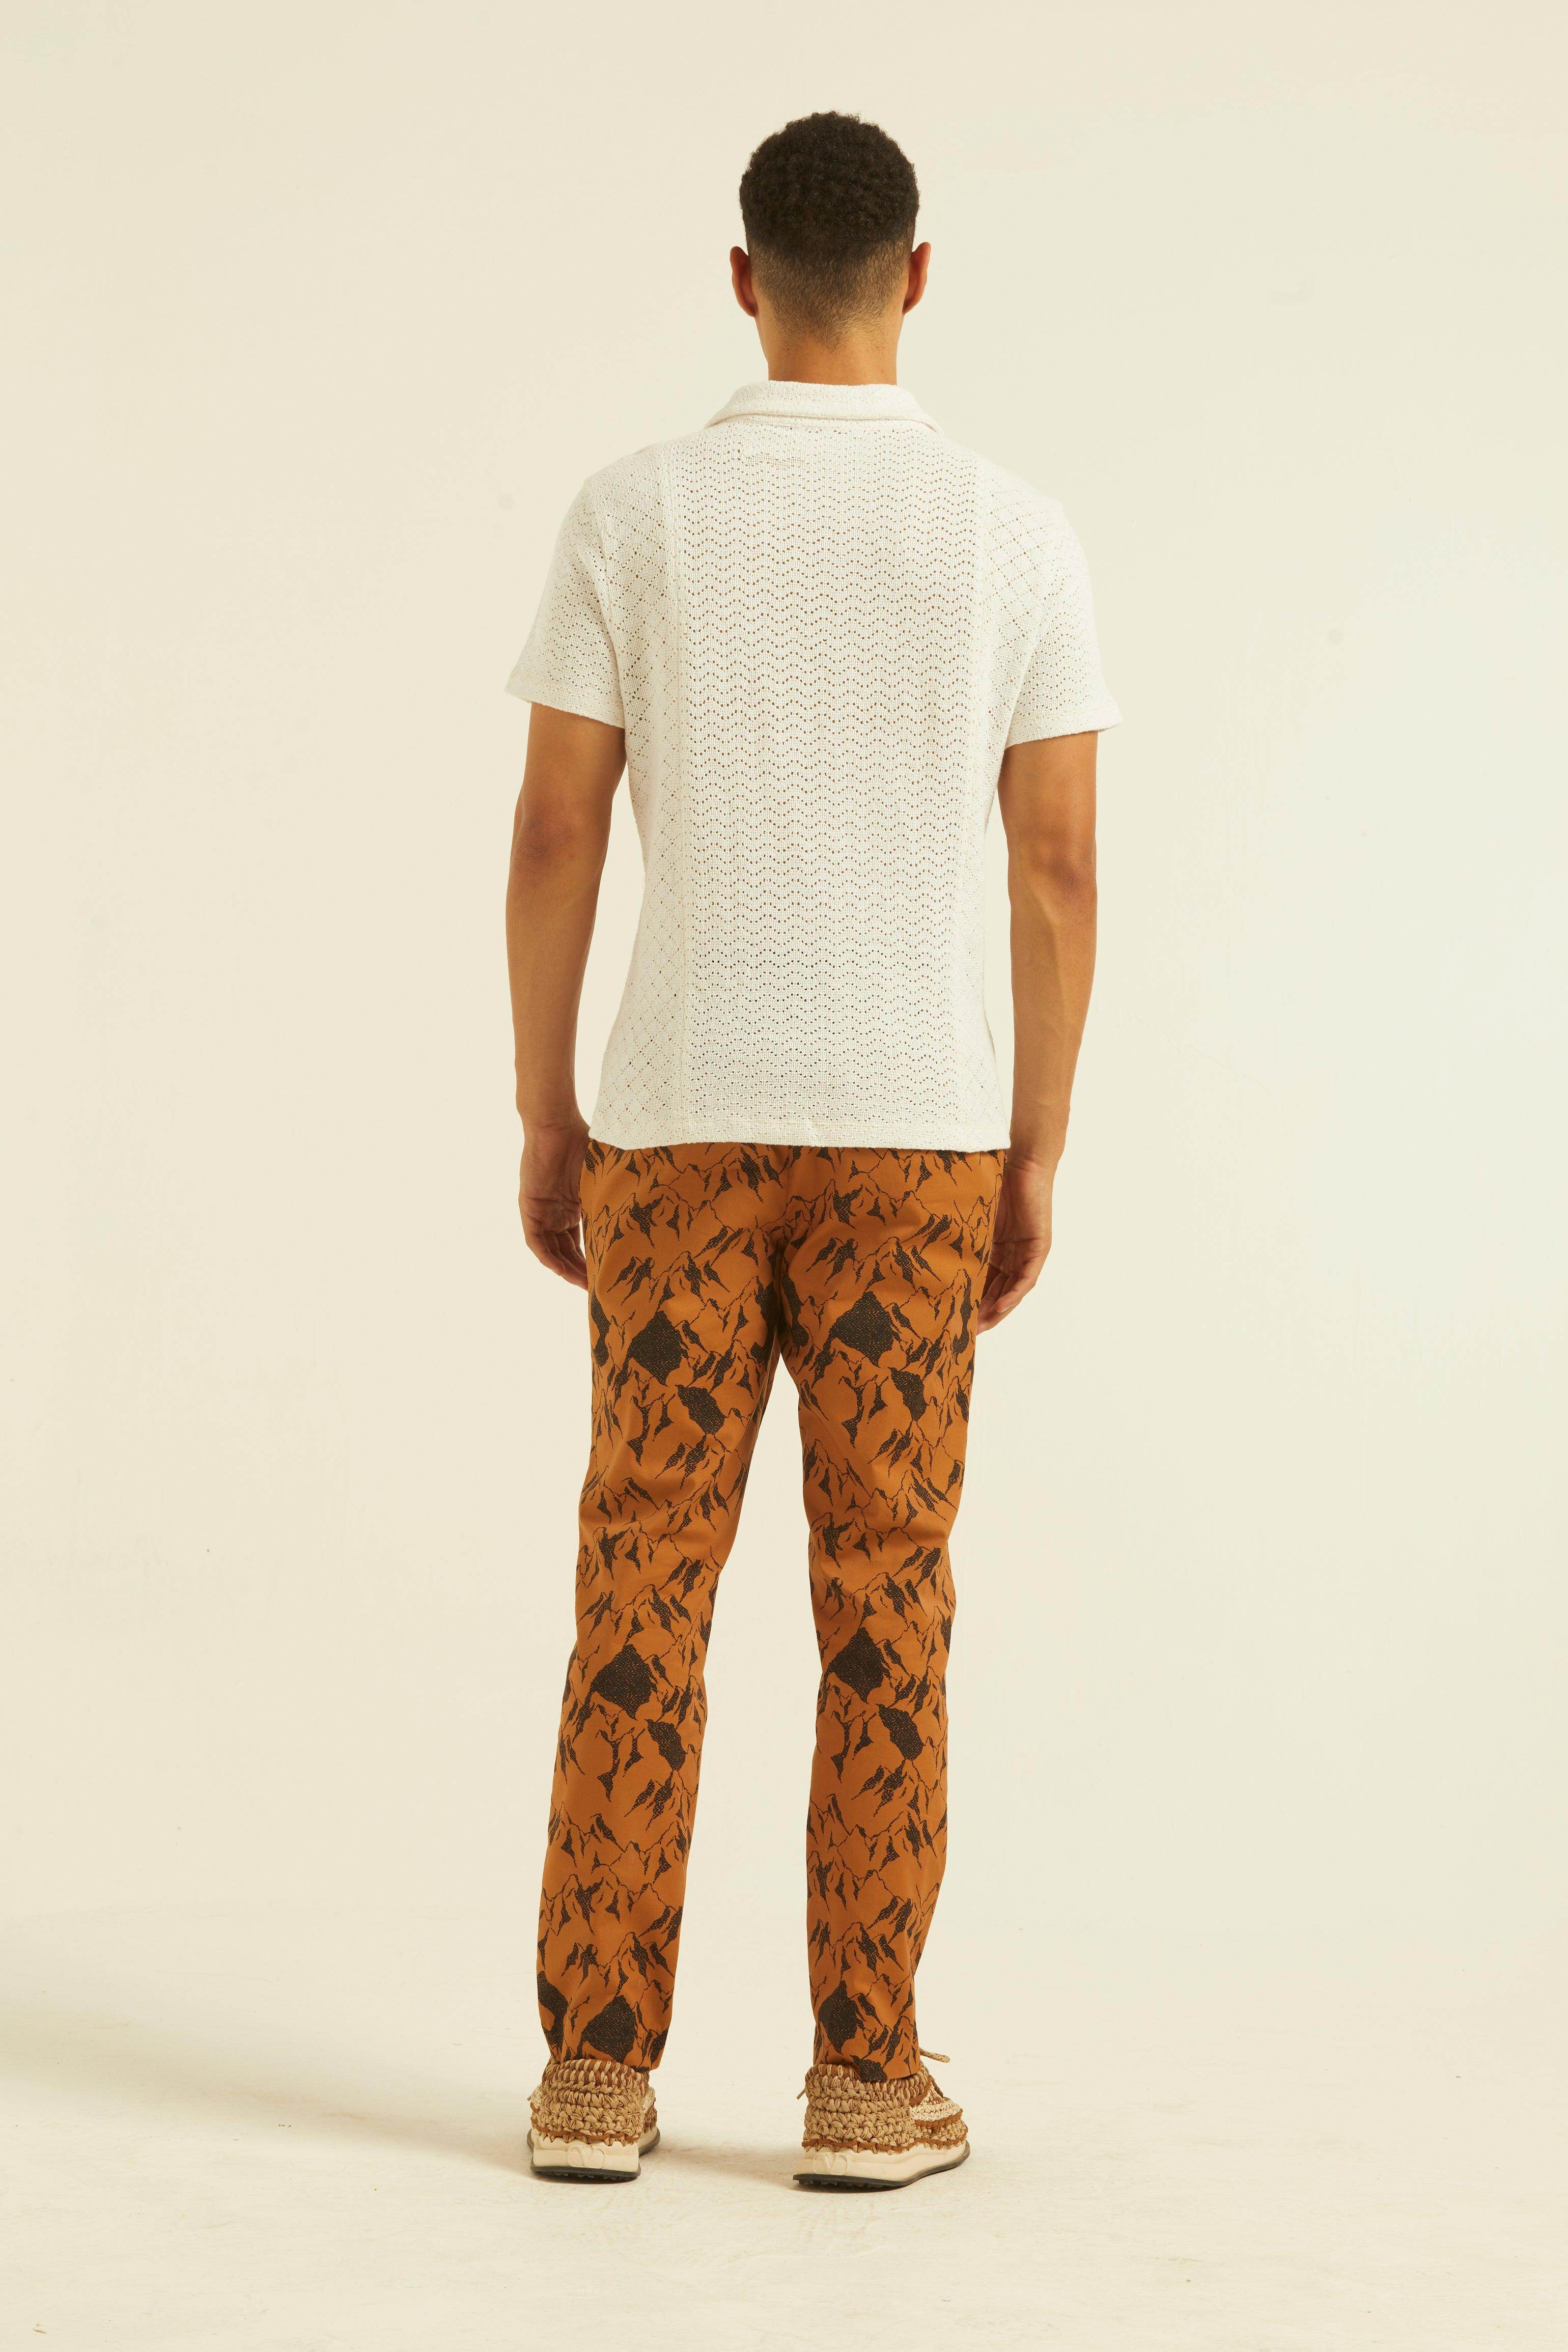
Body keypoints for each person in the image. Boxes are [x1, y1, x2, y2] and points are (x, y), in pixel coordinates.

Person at [504, 109, 1119, 2191]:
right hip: (913, 1140)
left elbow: (555, 827)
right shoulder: (1013, 535)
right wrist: (1036, 1143)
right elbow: (1056, 865)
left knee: (640, 1580)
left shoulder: (633, 515)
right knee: (886, 1596)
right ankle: (865, 2075)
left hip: (675, 1125)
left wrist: (546, 1108)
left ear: (742, 278)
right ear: (915, 275)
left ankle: (596, 2071)